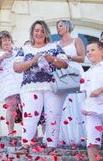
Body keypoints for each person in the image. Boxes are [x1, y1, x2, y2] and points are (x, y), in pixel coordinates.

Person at [13, 20, 68, 154]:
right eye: (36, 30)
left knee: (53, 115)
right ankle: (25, 145)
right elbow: (17, 67)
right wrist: (32, 61)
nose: (39, 33)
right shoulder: (25, 49)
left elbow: (65, 64)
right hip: (30, 87)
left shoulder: (54, 47)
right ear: (32, 32)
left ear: (46, 33)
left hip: (52, 86)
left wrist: (52, 59)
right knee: (30, 115)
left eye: (42, 31)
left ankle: (51, 146)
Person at [56, 19, 86, 147]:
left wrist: (68, 57)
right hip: (62, 74)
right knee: (64, 105)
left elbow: (82, 57)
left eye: (61, 26)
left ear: (68, 27)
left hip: (74, 71)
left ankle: (81, 136)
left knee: (77, 102)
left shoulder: (76, 41)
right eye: (57, 27)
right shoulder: (56, 44)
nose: (59, 28)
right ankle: (67, 137)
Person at [0, 31, 22, 136]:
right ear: (0, 42)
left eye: (8, 40)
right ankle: (10, 132)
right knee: (11, 105)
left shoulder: (17, 51)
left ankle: (27, 132)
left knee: (24, 105)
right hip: (7, 82)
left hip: (20, 80)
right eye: (4, 40)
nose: (6, 42)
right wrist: (2, 57)